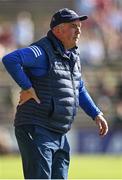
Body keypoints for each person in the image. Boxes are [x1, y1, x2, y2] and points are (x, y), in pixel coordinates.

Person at [2, 8, 108, 179]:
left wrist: (96, 113)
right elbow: (10, 59)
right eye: (73, 26)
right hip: (37, 128)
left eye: (79, 26)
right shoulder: (41, 51)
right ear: (58, 30)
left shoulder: (73, 55)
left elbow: (78, 88)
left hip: (59, 132)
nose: (79, 30)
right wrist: (27, 87)